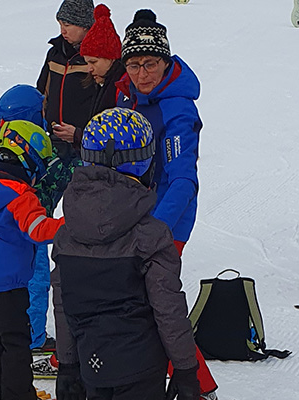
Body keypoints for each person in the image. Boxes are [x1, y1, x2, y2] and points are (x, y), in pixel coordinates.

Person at [52, 107, 200, 400]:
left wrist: (67, 365)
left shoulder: (67, 235)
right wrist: (185, 370)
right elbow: (168, 309)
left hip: (90, 364)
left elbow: (62, 304)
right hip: (141, 370)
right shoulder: (151, 236)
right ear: (145, 163)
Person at [116, 9, 218, 399]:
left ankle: (199, 386)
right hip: (133, 218)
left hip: (164, 223)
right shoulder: (128, 96)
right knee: (142, 304)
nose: (143, 73)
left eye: (151, 63)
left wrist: (155, 228)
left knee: (157, 306)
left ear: (166, 62)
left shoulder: (177, 109)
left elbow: (182, 180)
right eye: (135, 64)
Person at [0, 120, 65, 400]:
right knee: (16, 344)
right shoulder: (21, 197)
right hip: (9, 287)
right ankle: (18, 395)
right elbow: (38, 230)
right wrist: (70, 224)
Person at [0, 85, 58, 351]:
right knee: (37, 280)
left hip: (5, 225)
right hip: (32, 220)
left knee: (8, 280)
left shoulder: (2, 140)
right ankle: (33, 339)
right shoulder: (34, 143)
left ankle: (6, 332)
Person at [36, 0, 96, 165]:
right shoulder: (55, 53)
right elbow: (42, 92)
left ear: (85, 25)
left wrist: (81, 134)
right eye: (60, 24)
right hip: (53, 140)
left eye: (68, 25)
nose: (63, 30)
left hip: (85, 146)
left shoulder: (96, 58)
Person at [80, 4, 125, 116]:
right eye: (87, 62)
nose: (89, 69)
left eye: (93, 62)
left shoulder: (123, 87)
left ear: (111, 57)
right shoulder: (103, 84)